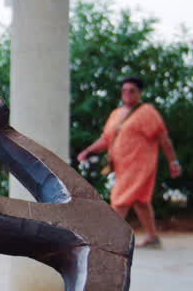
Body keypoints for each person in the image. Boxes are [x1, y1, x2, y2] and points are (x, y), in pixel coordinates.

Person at [76, 76, 183, 248]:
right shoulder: (116, 114)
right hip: (121, 166)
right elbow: (106, 139)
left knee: (120, 199)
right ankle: (152, 237)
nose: (127, 94)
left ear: (140, 93)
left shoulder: (147, 111)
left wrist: (173, 162)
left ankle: (108, 239)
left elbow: (164, 139)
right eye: (124, 90)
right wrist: (88, 151)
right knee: (140, 201)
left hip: (140, 165)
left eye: (131, 90)